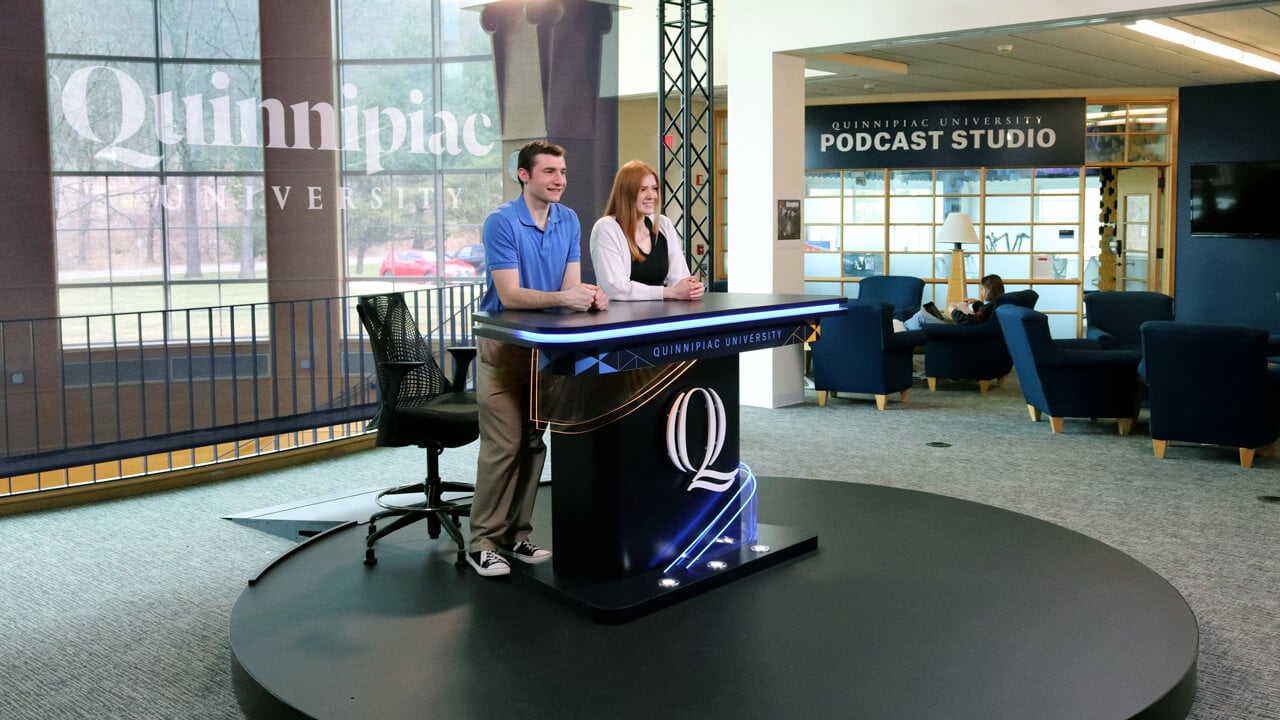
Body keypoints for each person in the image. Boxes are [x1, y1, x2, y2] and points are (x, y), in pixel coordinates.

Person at [468, 140, 608, 578]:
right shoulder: (501, 222)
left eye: (563, 172)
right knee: (505, 445)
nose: (560, 180)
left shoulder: (568, 220)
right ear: (524, 175)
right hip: (505, 347)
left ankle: (515, 536)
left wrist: (586, 298)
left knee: (533, 443)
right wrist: (566, 298)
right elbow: (509, 295)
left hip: (545, 350)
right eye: (549, 172)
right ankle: (482, 542)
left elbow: (569, 288)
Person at [589, 160, 705, 301]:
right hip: (623, 318)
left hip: (664, 316)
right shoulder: (606, 228)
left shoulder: (663, 224)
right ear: (626, 193)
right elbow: (616, 288)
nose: (651, 196)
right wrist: (670, 292)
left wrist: (690, 288)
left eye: (654, 188)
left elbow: (679, 278)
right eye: (643, 189)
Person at [902, 274, 1006, 330]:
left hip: (957, 332)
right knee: (937, 316)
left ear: (990, 290)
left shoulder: (992, 306)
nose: (982, 292)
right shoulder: (998, 304)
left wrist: (953, 311)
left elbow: (968, 321)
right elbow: (980, 317)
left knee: (921, 316)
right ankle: (902, 328)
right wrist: (977, 303)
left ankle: (902, 331)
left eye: (983, 289)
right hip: (962, 330)